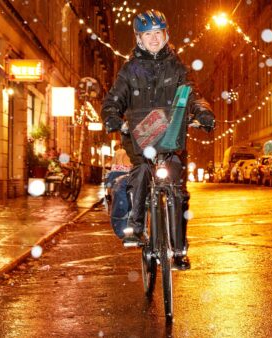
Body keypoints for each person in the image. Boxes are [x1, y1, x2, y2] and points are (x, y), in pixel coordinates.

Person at [101, 9, 214, 270]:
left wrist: (203, 112)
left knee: (177, 185)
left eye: (158, 33)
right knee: (141, 169)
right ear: (139, 39)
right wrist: (113, 117)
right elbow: (114, 100)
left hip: (170, 135)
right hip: (140, 137)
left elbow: (193, 94)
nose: (153, 39)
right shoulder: (130, 70)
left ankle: (179, 248)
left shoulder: (177, 67)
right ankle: (137, 226)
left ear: (166, 35)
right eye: (147, 34)